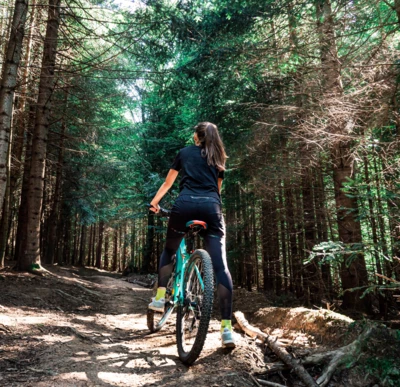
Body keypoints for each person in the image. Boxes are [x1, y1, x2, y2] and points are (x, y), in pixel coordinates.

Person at [148, 122, 235, 348]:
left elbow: (169, 182)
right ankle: (227, 330)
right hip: (211, 209)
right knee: (221, 267)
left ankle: (159, 298)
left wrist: (154, 203)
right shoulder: (219, 156)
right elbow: (217, 191)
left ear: (197, 137)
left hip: (184, 206)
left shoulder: (184, 153)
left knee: (169, 250)